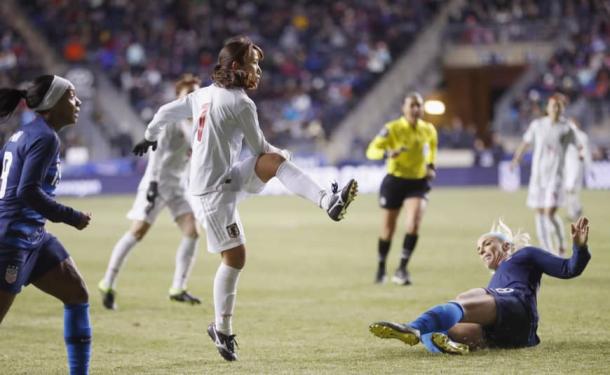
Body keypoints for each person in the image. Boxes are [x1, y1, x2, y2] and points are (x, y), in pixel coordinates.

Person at [132, 36, 358, 361]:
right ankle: (221, 330)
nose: (258, 69)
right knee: (235, 258)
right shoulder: (240, 103)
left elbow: (166, 111)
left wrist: (149, 136)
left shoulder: (203, 95)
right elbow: (259, 147)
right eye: (254, 63)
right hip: (212, 192)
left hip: (227, 176)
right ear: (236, 67)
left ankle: (328, 202)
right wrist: (283, 153)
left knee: (275, 164)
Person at [369, 216, 591, 354]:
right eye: (478, 249)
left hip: (519, 310)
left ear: (506, 246)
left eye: (486, 244)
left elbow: (569, 269)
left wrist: (579, 247)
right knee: (439, 328)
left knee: (469, 297)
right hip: (501, 337)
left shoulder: (525, 255)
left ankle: (413, 327)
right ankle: (446, 345)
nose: (482, 250)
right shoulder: (496, 280)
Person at [0, 75, 92, 374]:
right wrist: (72, 216)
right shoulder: (44, 137)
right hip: (11, 241)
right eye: (71, 96)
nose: (77, 102)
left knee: (76, 293)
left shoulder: (24, 134)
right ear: (52, 103)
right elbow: (26, 192)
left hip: (34, 237)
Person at [98, 74, 203, 310]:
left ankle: (178, 287)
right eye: (189, 94)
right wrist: (153, 185)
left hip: (177, 186)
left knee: (192, 231)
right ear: (178, 98)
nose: (193, 98)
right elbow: (156, 155)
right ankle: (108, 282)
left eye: (196, 93)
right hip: (157, 184)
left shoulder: (195, 122)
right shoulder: (169, 121)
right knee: (137, 233)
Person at [365, 92, 437, 285]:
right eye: (412, 105)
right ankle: (381, 267)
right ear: (403, 108)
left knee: (414, 222)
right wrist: (387, 153)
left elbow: (432, 150)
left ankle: (402, 269)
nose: (416, 109)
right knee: (388, 230)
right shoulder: (392, 129)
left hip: (418, 182)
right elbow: (371, 151)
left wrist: (430, 167)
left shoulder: (428, 129)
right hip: (395, 181)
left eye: (419, 105)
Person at [512, 94, 581, 256]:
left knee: (549, 213)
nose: (555, 109)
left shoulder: (567, 128)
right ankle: (547, 249)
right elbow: (526, 142)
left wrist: (582, 154)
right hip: (538, 176)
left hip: (556, 176)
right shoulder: (537, 125)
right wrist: (516, 159)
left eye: (559, 106)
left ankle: (561, 242)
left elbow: (578, 144)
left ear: (562, 108)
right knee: (540, 212)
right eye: (553, 106)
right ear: (547, 108)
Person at [563, 121, 592, 221]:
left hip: (577, 167)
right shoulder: (565, 137)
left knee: (572, 189)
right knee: (568, 191)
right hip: (567, 167)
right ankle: (574, 211)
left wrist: (588, 166)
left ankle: (575, 211)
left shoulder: (582, 136)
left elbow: (585, 152)